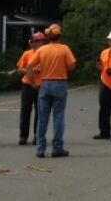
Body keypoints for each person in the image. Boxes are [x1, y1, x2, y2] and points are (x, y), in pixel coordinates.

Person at [27, 23, 76, 158]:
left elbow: (29, 66)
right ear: (60, 35)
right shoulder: (64, 49)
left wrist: (32, 83)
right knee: (58, 116)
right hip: (60, 83)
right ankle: (57, 148)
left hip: (45, 83)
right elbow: (71, 66)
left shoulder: (42, 50)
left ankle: (40, 149)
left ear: (48, 36)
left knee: (42, 118)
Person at [16, 32, 47, 145]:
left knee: (40, 112)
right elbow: (20, 69)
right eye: (38, 41)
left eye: (42, 41)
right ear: (32, 43)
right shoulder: (27, 54)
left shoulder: (47, 54)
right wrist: (31, 71)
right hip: (28, 85)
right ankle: (23, 136)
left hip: (41, 86)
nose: (40, 43)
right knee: (25, 112)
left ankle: (37, 136)